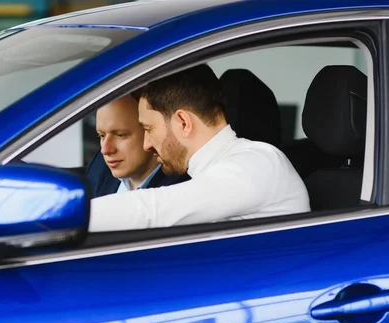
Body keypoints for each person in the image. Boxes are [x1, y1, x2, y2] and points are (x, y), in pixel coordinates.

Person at [88, 64, 310, 232]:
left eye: (149, 129)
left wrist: (63, 214)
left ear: (184, 123)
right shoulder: (219, 170)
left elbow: (152, 210)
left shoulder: (257, 165)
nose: (147, 144)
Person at [86, 95, 188, 197]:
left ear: (150, 131)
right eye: (102, 135)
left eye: (120, 135)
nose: (105, 150)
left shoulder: (180, 191)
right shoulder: (99, 166)